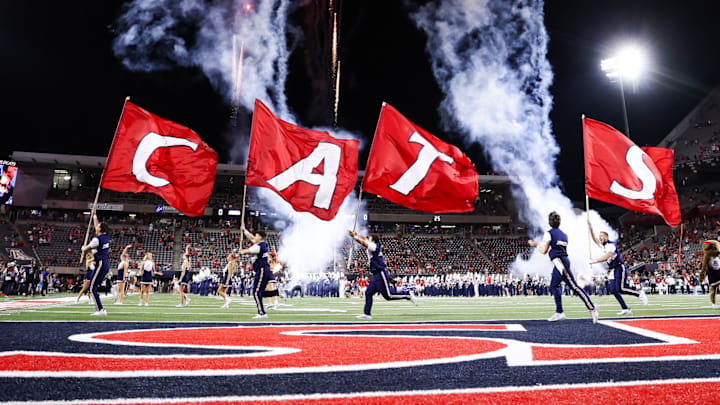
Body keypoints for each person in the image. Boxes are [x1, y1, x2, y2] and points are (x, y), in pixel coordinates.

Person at [528, 212, 598, 323]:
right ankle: (559, 312)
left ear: (549, 222)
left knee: (574, 286)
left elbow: (543, 251)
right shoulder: (564, 235)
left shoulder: (549, 233)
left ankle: (592, 307)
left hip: (560, 262)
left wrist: (535, 245)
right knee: (554, 286)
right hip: (562, 261)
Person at [348, 230, 417, 320]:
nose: (368, 238)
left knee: (389, 296)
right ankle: (367, 313)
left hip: (380, 274)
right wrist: (356, 235)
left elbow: (364, 243)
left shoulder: (374, 246)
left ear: (373, 240)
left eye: (370, 238)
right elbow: (364, 240)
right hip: (376, 274)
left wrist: (355, 237)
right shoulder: (373, 245)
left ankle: (407, 294)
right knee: (368, 292)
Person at [588, 220, 648, 315]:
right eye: (600, 236)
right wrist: (590, 228)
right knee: (613, 290)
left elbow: (606, 257)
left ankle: (639, 293)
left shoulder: (610, 245)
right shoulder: (603, 245)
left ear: (607, 237)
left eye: (602, 236)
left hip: (619, 267)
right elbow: (594, 239)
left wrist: (594, 261)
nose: (600, 238)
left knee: (621, 288)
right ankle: (625, 308)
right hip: (612, 269)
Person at [80, 215, 110, 316]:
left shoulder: (96, 240)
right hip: (104, 263)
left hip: (101, 264)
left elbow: (85, 249)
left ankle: (101, 310)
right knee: (93, 287)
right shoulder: (105, 237)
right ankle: (100, 309)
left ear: (100, 229)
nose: (96, 227)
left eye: (98, 226)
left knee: (92, 288)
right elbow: (97, 226)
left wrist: (83, 248)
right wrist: (94, 216)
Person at [238, 227, 271, 319]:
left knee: (256, 292)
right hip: (262, 270)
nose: (254, 237)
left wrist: (241, 251)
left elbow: (247, 251)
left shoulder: (259, 246)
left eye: (256, 236)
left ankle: (262, 313)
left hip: (262, 270)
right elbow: (251, 238)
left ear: (260, 237)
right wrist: (244, 230)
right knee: (257, 292)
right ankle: (261, 312)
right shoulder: (262, 244)